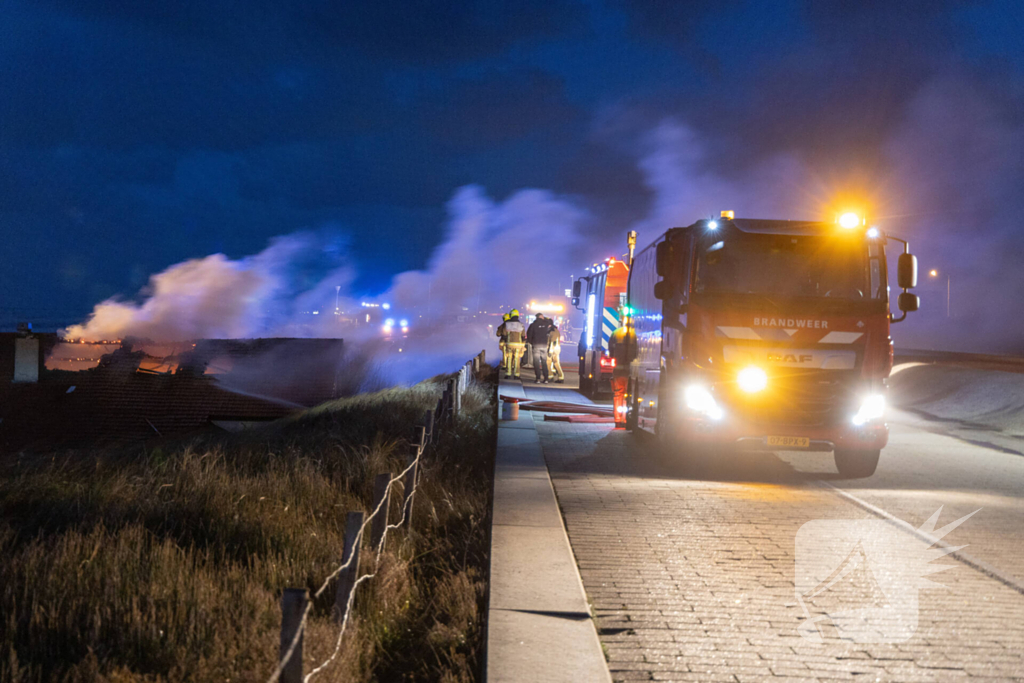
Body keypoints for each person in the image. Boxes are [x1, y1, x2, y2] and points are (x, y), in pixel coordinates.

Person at [527, 313, 552, 383]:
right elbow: (551, 329)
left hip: (536, 346)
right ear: (541, 317)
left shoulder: (533, 325)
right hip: (544, 346)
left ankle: (538, 378)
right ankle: (546, 379)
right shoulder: (546, 324)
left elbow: (529, 335)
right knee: (544, 362)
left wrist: (532, 343)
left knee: (536, 363)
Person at [503, 309, 526, 379]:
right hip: (518, 345)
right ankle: (516, 375)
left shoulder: (507, 324)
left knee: (509, 358)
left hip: (509, 344)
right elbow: (523, 336)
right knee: (516, 359)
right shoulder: (521, 325)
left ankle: (508, 374)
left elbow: (504, 334)